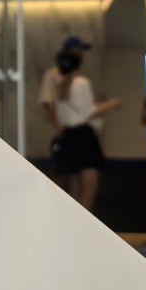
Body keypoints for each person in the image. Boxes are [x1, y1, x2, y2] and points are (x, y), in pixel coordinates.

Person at [52, 48, 121, 211]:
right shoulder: (80, 83)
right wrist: (112, 104)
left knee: (74, 188)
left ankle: (70, 221)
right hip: (82, 136)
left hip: (68, 137)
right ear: (79, 66)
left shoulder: (61, 85)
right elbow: (88, 112)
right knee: (89, 187)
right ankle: (82, 223)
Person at [38, 36, 92, 184]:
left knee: (75, 175)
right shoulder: (53, 75)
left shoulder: (78, 76)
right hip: (61, 131)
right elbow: (48, 102)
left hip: (74, 131)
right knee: (62, 173)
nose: (82, 54)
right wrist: (58, 127)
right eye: (79, 50)